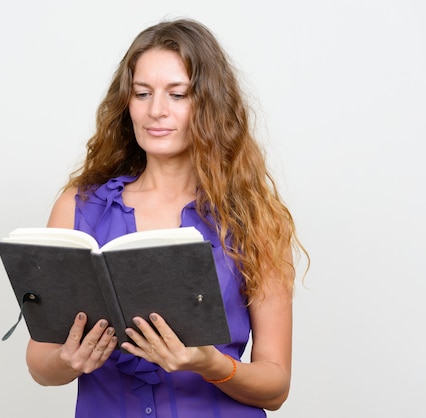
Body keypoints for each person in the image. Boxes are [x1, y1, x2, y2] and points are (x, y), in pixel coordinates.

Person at [25, 18, 308, 417]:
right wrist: (66, 363)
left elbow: (275, 387)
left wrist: (211, 365)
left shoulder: (253, 219)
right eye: (142, 93)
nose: (156, 111)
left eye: (177, 95)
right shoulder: (77, 207)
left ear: (208, 104)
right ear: (127, 104)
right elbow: (40, 361)